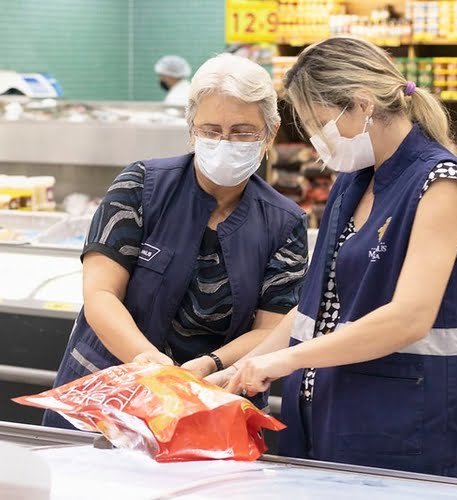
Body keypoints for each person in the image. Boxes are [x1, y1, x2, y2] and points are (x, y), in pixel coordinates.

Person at [214, 37, 457, 478]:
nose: (316, 142)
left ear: (362, 104)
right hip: (331, 418)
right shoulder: (353, 181)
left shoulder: (441, 182)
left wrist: (287, 360)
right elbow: (312, 308)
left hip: (411, 427)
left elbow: (409, 318)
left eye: (320, 124)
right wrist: (233, 371)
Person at [43, 53, 308, 429]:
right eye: (211, 131)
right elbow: (101, 293)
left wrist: (211, 365)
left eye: (242, 132)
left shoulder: (284, 222)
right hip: (107, 394)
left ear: (270, 132)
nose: (225, 142)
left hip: (210, 402)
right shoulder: (141, 186)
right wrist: (146, 360)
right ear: (191, 129)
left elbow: (271, 329)